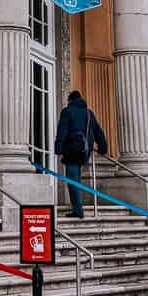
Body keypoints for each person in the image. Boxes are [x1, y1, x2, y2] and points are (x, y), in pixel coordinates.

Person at [54, 91, 107, 219]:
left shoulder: (67, 111)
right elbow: (98, 131)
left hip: (71, 150)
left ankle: (78, 210)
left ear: (70, 100)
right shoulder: (89, 113)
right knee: (76, 178)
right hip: (84, 151)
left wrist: (58, 148)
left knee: (72, 180)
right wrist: (102, 147)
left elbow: (62, 130)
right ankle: (77, 208)